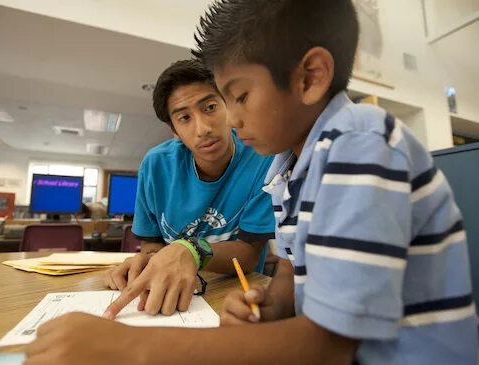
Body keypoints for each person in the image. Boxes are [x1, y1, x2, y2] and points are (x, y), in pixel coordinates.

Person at [24, 1, 477, 364]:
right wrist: (270, 304)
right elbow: (291, 269)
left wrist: (129, 349)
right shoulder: (286, 165)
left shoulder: (358, 144)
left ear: (310, 77)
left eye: (237, 97)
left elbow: (330, 348)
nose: (231, 121)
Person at [103, 59, 275, 317]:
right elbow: (152, 244)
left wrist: (191, 250)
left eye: (210, 107)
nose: (203, 128)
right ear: (174, 131)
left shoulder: (262, 158)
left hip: (235, 294)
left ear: (227, 105)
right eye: (184, 118)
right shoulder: (155, 165)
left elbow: (250, 253)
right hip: (176, 296)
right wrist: (147, 262)